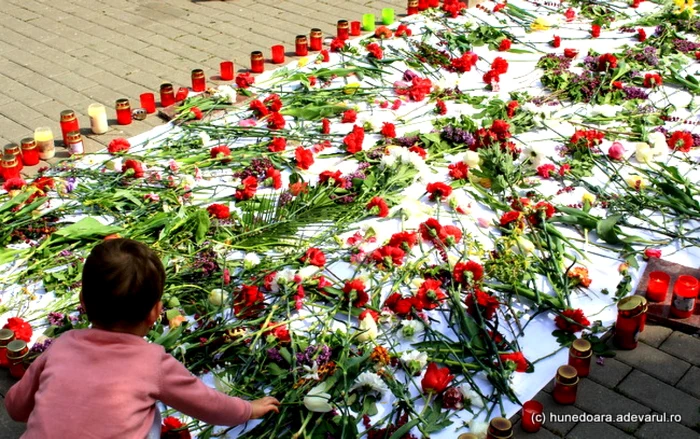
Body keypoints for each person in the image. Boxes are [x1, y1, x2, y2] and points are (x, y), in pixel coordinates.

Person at [4, 238, 280, 438]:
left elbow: (16, 407)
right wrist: (248, 409)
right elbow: (209, 406)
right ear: (156, 313)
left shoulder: (61, 345)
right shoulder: (152, 363)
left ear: (82, 302)